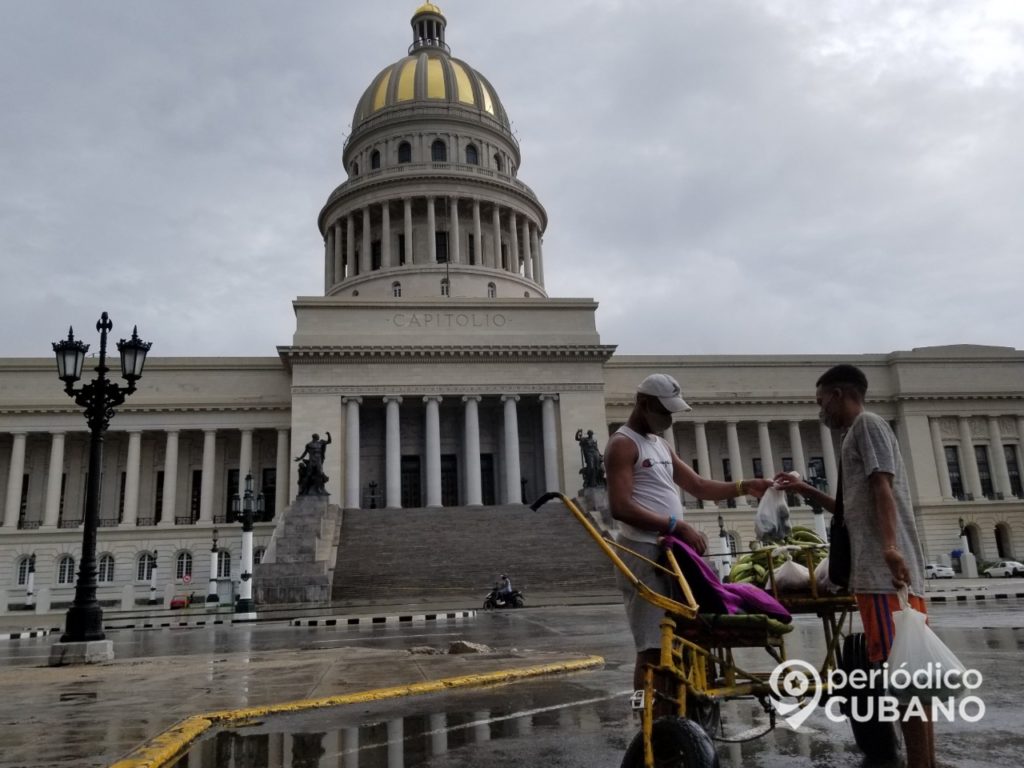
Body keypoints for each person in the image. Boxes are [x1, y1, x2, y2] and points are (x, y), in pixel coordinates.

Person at [773, 364, 932, 768]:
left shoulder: (867, 425)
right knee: (910, 675)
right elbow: (849, 510)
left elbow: (882, 485)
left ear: (839, 394)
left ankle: (920, 762)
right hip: (878, 574)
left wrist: (891, 549)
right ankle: (924, 761)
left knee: (901, 676)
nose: (820, 409)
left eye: (821, 400)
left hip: (883, 576)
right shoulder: (853, 437)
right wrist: (805, 490)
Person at [605, 373, 772, 715]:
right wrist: (675, 525)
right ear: (644, 404)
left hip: (670, 553)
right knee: (652, 645)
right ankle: (650, 721)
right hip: (644, 553)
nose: (669, 419)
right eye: (664, 411)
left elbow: (697, 485)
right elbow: (620, 506)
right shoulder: (623, 444)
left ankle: (676, 715)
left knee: (680, 637)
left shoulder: (660, 444)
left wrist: (744, 486)